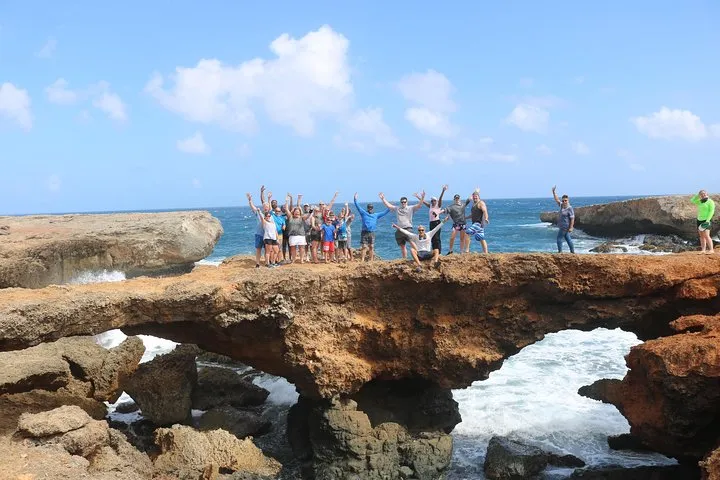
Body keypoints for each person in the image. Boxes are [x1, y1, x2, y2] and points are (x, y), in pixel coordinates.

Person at [379, 190, 426, 259]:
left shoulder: (411, 208)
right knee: (402, 246)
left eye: (404, 202)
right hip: (399, 229)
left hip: (408, 228)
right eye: (402, 202)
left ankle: (420, 256)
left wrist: (422, 198)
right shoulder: (397, 208)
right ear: (400, 202)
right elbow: (389, 206)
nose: (403, 203)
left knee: (412, 243)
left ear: (407, 202)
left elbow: (419, 205)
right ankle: (404, 259)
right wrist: (383, 199)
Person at [354, 192, 391, 262]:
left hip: (372, 232)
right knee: (364, 247)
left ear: (372, 208)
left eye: (371, 207)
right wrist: (355, 199)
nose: (370, 208)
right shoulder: (363, 213)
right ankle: (362, 260)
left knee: (371, 246)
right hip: (364, 232)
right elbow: (357, 206)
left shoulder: (376, 215)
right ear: (367, 208)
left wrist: (389, 205)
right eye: (369, 207)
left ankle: (371, 260)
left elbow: (385, 212)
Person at [417, 185, 448, 255]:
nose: (433, 202)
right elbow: (423, 202)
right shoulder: (430, 206)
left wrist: (443, 190)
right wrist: (418, 197)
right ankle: (434, 251)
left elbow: (440, 198)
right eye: (432, 201)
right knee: (432, 237)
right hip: (431, 223)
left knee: (437, 238)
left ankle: (438, 252)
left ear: (436, 201)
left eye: (434, 200)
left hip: (437, 222)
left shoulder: (438, 205)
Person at [246, 193, 269, 268]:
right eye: (265, 206)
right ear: (263, 207)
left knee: (267, 250)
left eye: (267, 207)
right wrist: (250, 200)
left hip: (267, 235)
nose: (266, 208)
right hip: (259, 234)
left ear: (269, 208)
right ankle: (258, 263)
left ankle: (267, 262)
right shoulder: (259, 213)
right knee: (258, 249)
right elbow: (253, 207)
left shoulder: (270, 215)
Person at [465, 189, 490, 254]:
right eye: (474, 197)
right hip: (477, 224)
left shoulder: (481, 203)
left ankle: (467, 250)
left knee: (467, 233)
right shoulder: (474, 204)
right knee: (481, 238)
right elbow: (473, 215)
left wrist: (486, 218)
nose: (475, 197)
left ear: (479, 196)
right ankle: (486, 253)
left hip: (478, 223)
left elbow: (485, 211)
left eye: (476, 196)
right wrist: (466, 217)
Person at [552, 185, 575, 254]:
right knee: (568, 238)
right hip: (562, 225)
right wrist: (553, 192)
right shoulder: (562, 205)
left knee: (559, 238)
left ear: (568, 200)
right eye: (563, 200)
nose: (564, 201)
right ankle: (572, 252)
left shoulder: (570, 208)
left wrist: (571, 227)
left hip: (565, 226)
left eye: (566, 200)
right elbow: (557, 200)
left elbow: (572, 218)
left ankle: (560, 252)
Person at [691, 189, 715, 254]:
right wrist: (697, 195)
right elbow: (692, 200)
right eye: (701, 194)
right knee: (701, 236)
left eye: (704, 193)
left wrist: (707, 221)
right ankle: (703, 250)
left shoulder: (710, 202)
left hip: (706, 220)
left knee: (707, 235)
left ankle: (711, 250)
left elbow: (711, 211)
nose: (703, 195)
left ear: (707, 194)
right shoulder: (699, 201)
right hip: (699, 220)